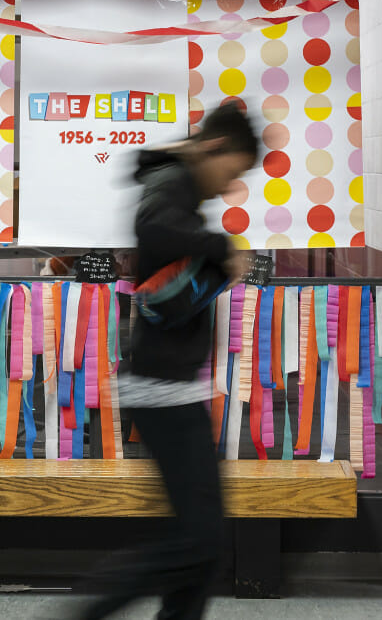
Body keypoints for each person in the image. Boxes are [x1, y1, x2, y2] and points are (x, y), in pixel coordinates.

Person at [78, 102, 258, 620]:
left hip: (174, 388)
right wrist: (222, 246)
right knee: (198, 542)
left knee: (201, 545)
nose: (230, 186)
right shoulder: (174, 184)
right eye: (234, 171)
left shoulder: (174, 177)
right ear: (214, 147)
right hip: (161, 390)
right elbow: (154, 228)